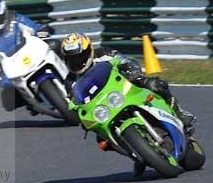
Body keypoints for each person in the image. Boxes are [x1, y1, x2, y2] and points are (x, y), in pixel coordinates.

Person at [59, 32, 196, 129]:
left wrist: (132, 70)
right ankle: (136, 153)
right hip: (102, 108)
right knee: (100, 138)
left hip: (124, 88)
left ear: (89, 51)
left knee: (155, 85)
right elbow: (74, 102)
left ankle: (179, 113)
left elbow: (126, 61)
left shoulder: (103, 54)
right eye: (71, 59)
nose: (76, 61)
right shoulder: (70, 81)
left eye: (79, 57)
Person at [0, 0, 55, 114]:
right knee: (8, 99)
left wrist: (42, 32)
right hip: (9, 72)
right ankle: (32, 102)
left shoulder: (15, 19)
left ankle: (71, 76)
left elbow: (34, 28)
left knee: (55, 45)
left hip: (31, 55)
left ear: (5, 13)